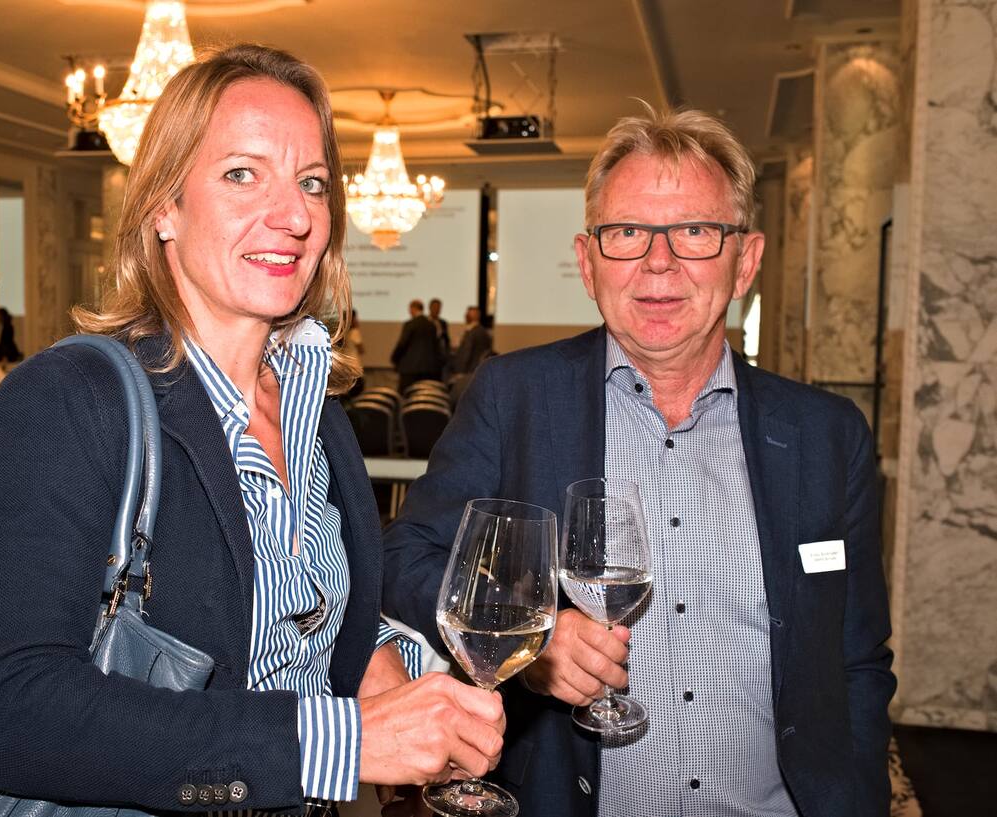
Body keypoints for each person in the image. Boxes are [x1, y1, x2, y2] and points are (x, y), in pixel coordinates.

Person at [0, 44, 504, 815]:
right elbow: (8, 712)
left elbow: (295, 619)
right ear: (163, 208)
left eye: (311, 182)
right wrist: (340, 741)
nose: (296, 215)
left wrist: (388, 664)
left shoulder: (320, 412)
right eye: (242, 174)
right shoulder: (68, 398)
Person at [382, 105, 895, 817]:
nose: (658, 262)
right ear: (588, 262)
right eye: (626, 232)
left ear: (744, 260)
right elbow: (408, 554)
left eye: (693, 231)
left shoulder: (826, 435)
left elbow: (857, 659)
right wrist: (534, 641)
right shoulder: (515, 396)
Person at [390, 298, 444, 392]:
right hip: (429, 369)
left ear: (413, 308)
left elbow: (402, 344)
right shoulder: (431, 325)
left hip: (410, 369)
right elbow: (436, 346)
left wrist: (394, 359)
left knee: (407, 397)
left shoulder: (410, 324)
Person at [448, 305, 492, 379]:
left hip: (468, 372)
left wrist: (459, 372)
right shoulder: (482, 331)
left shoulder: (473, 333)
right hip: (475, 370)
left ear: (476, 316)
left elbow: (466, 354)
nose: (466, 316)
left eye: (468, 314)